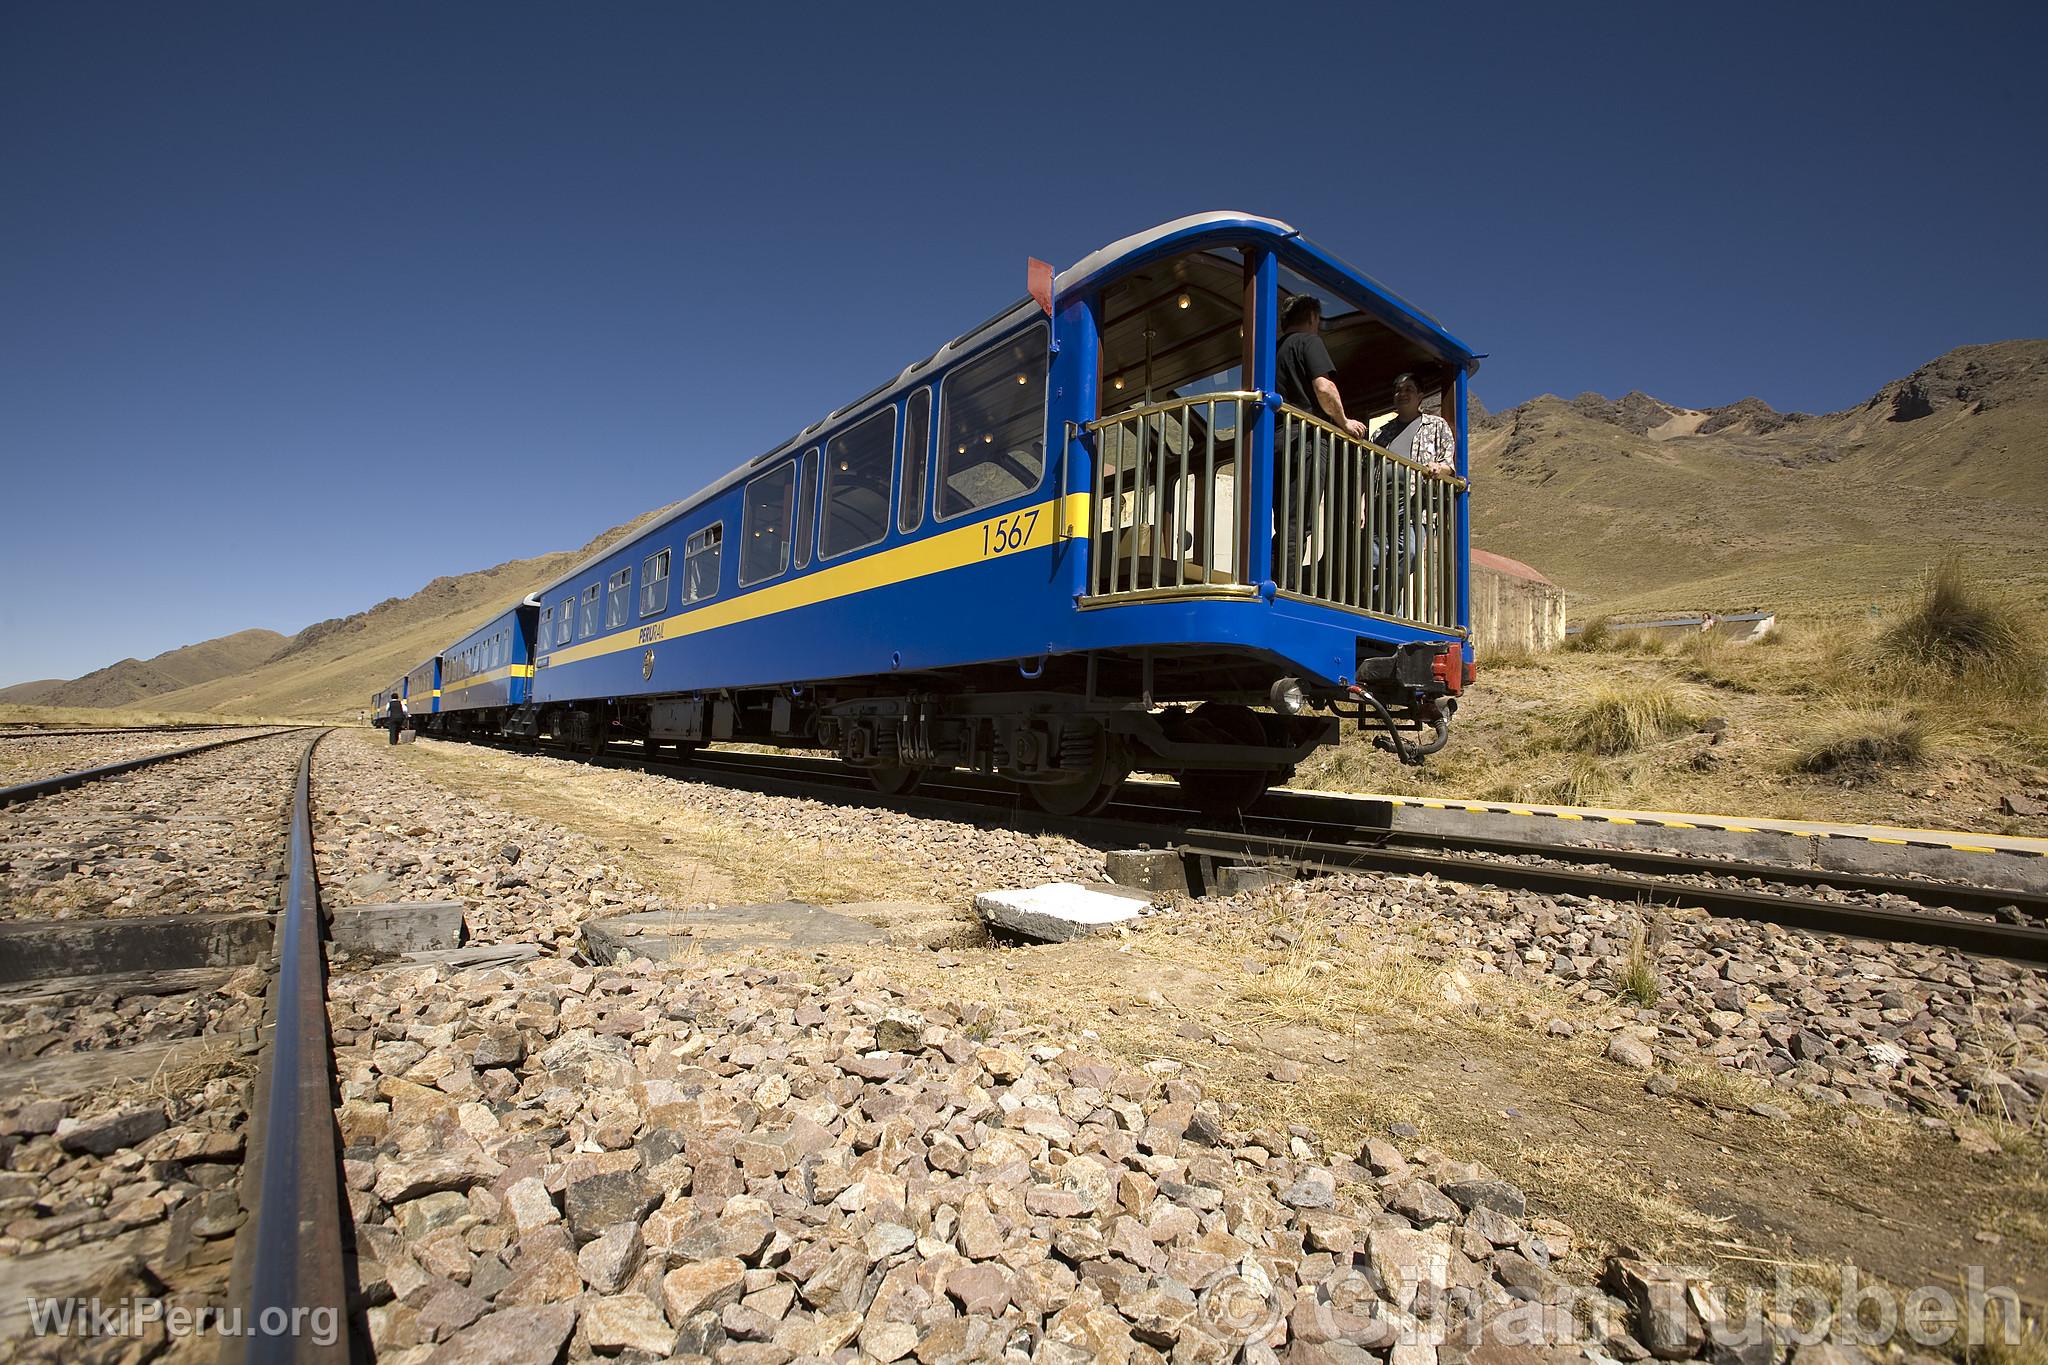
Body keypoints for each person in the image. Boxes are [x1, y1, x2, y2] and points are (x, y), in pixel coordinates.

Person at [1273, 294, 1365, 582]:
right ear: (1313, 317)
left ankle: (1271, 576)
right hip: (1306, 440)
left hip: (1276, 440)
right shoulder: (1308, 342)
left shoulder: (1273, 351)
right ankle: (1285, 586)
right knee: (1299, 520)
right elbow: (1324, 388)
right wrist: (1344, 422)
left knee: (1283, 518)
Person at [1369, 374, 1458, 616]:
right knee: (1376, 560)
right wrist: (1365, 504)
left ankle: (1385, 608)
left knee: (1408, 551)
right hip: (1381, 504)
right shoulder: (1382, 432)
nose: (1402, 393)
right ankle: (1387, 615)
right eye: (1398, 390)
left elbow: (1448, 463)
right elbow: (1370, 470)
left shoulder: (1435, 425)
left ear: (1420, 396)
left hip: (1415, 503)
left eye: (1409, 389)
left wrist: (1438, 469)